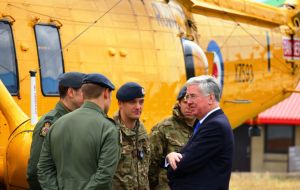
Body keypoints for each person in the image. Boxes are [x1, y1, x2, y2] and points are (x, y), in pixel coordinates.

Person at [37, 73, 120, 190]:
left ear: (84, 94)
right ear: (106, 93)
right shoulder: (108, 128)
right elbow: (104, 176)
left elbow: (44, 169)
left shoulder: (57, 124)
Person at [166, 75, 234, 190]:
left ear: (211, 98)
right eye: (187, 96)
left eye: (193, 96)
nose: (188, 101)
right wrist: (172, 157)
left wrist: (171, 158)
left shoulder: (215, 126)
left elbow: (183, 164)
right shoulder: (206, 122)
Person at [27, 72, 86, 190]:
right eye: (85, 92)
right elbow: (35, 171)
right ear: (71, 92)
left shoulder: (78, 120)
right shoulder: (50, 123)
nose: (89, 97)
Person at [148, 86, 196, 190]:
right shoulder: (163, 128)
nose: (189, 105)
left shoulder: (204, 127)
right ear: (179, 103)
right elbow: (150, 164)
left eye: (192, 102)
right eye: (185, 102)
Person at [112, 82, 150, 190]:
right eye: (132, 102)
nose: (138, 107)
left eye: (141, 102)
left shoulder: (143, 132)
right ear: (120, 104)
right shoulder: (110, 131)